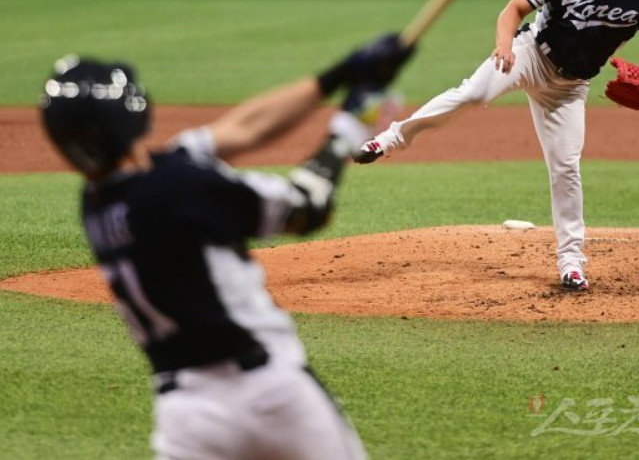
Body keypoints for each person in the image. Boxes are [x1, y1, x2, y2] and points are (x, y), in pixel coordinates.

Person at [39, 34, 413, 460]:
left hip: (187, 419)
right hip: (274, 399)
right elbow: (309, 207)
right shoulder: (179, 187)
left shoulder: (99, 205)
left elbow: (244, 127)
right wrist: (351, 124)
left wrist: (340, 74)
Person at [354, 0, 639, 292]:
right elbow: (514, 8)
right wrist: (504, 45)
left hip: (570, 88)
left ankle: (571, 263)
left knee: (566, 167)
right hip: (530, 55)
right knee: (473, 93)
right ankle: (391, 139)